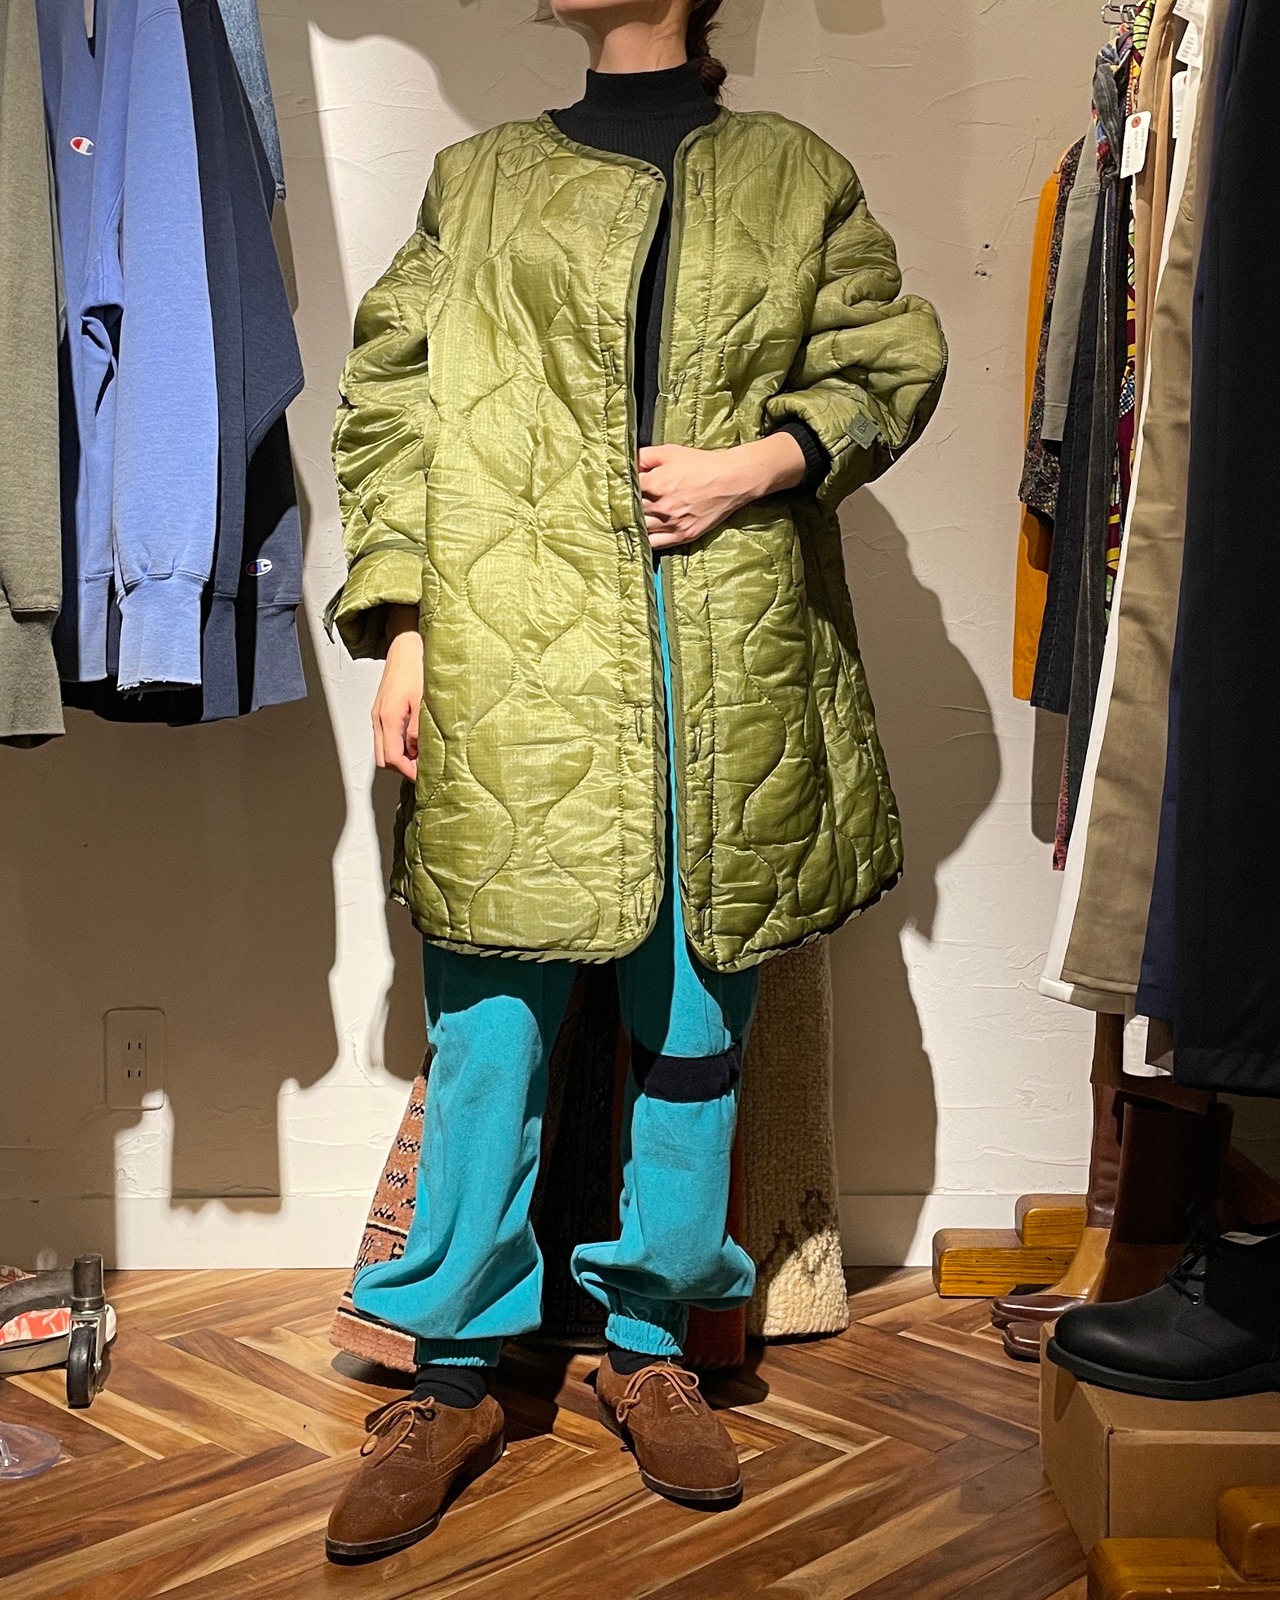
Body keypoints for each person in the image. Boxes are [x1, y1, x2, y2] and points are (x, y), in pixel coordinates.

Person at [323, 0, 946, 1562]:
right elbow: (390, 401)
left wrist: (756, 464)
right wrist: (405, 626)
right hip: (514, 656)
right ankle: (453, 1376)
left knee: (692, 1025)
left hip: (725, 667)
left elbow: (886, 358)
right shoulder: (478, 182)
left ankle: (651, 1345)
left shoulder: (794, 173)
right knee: (491, 1033)